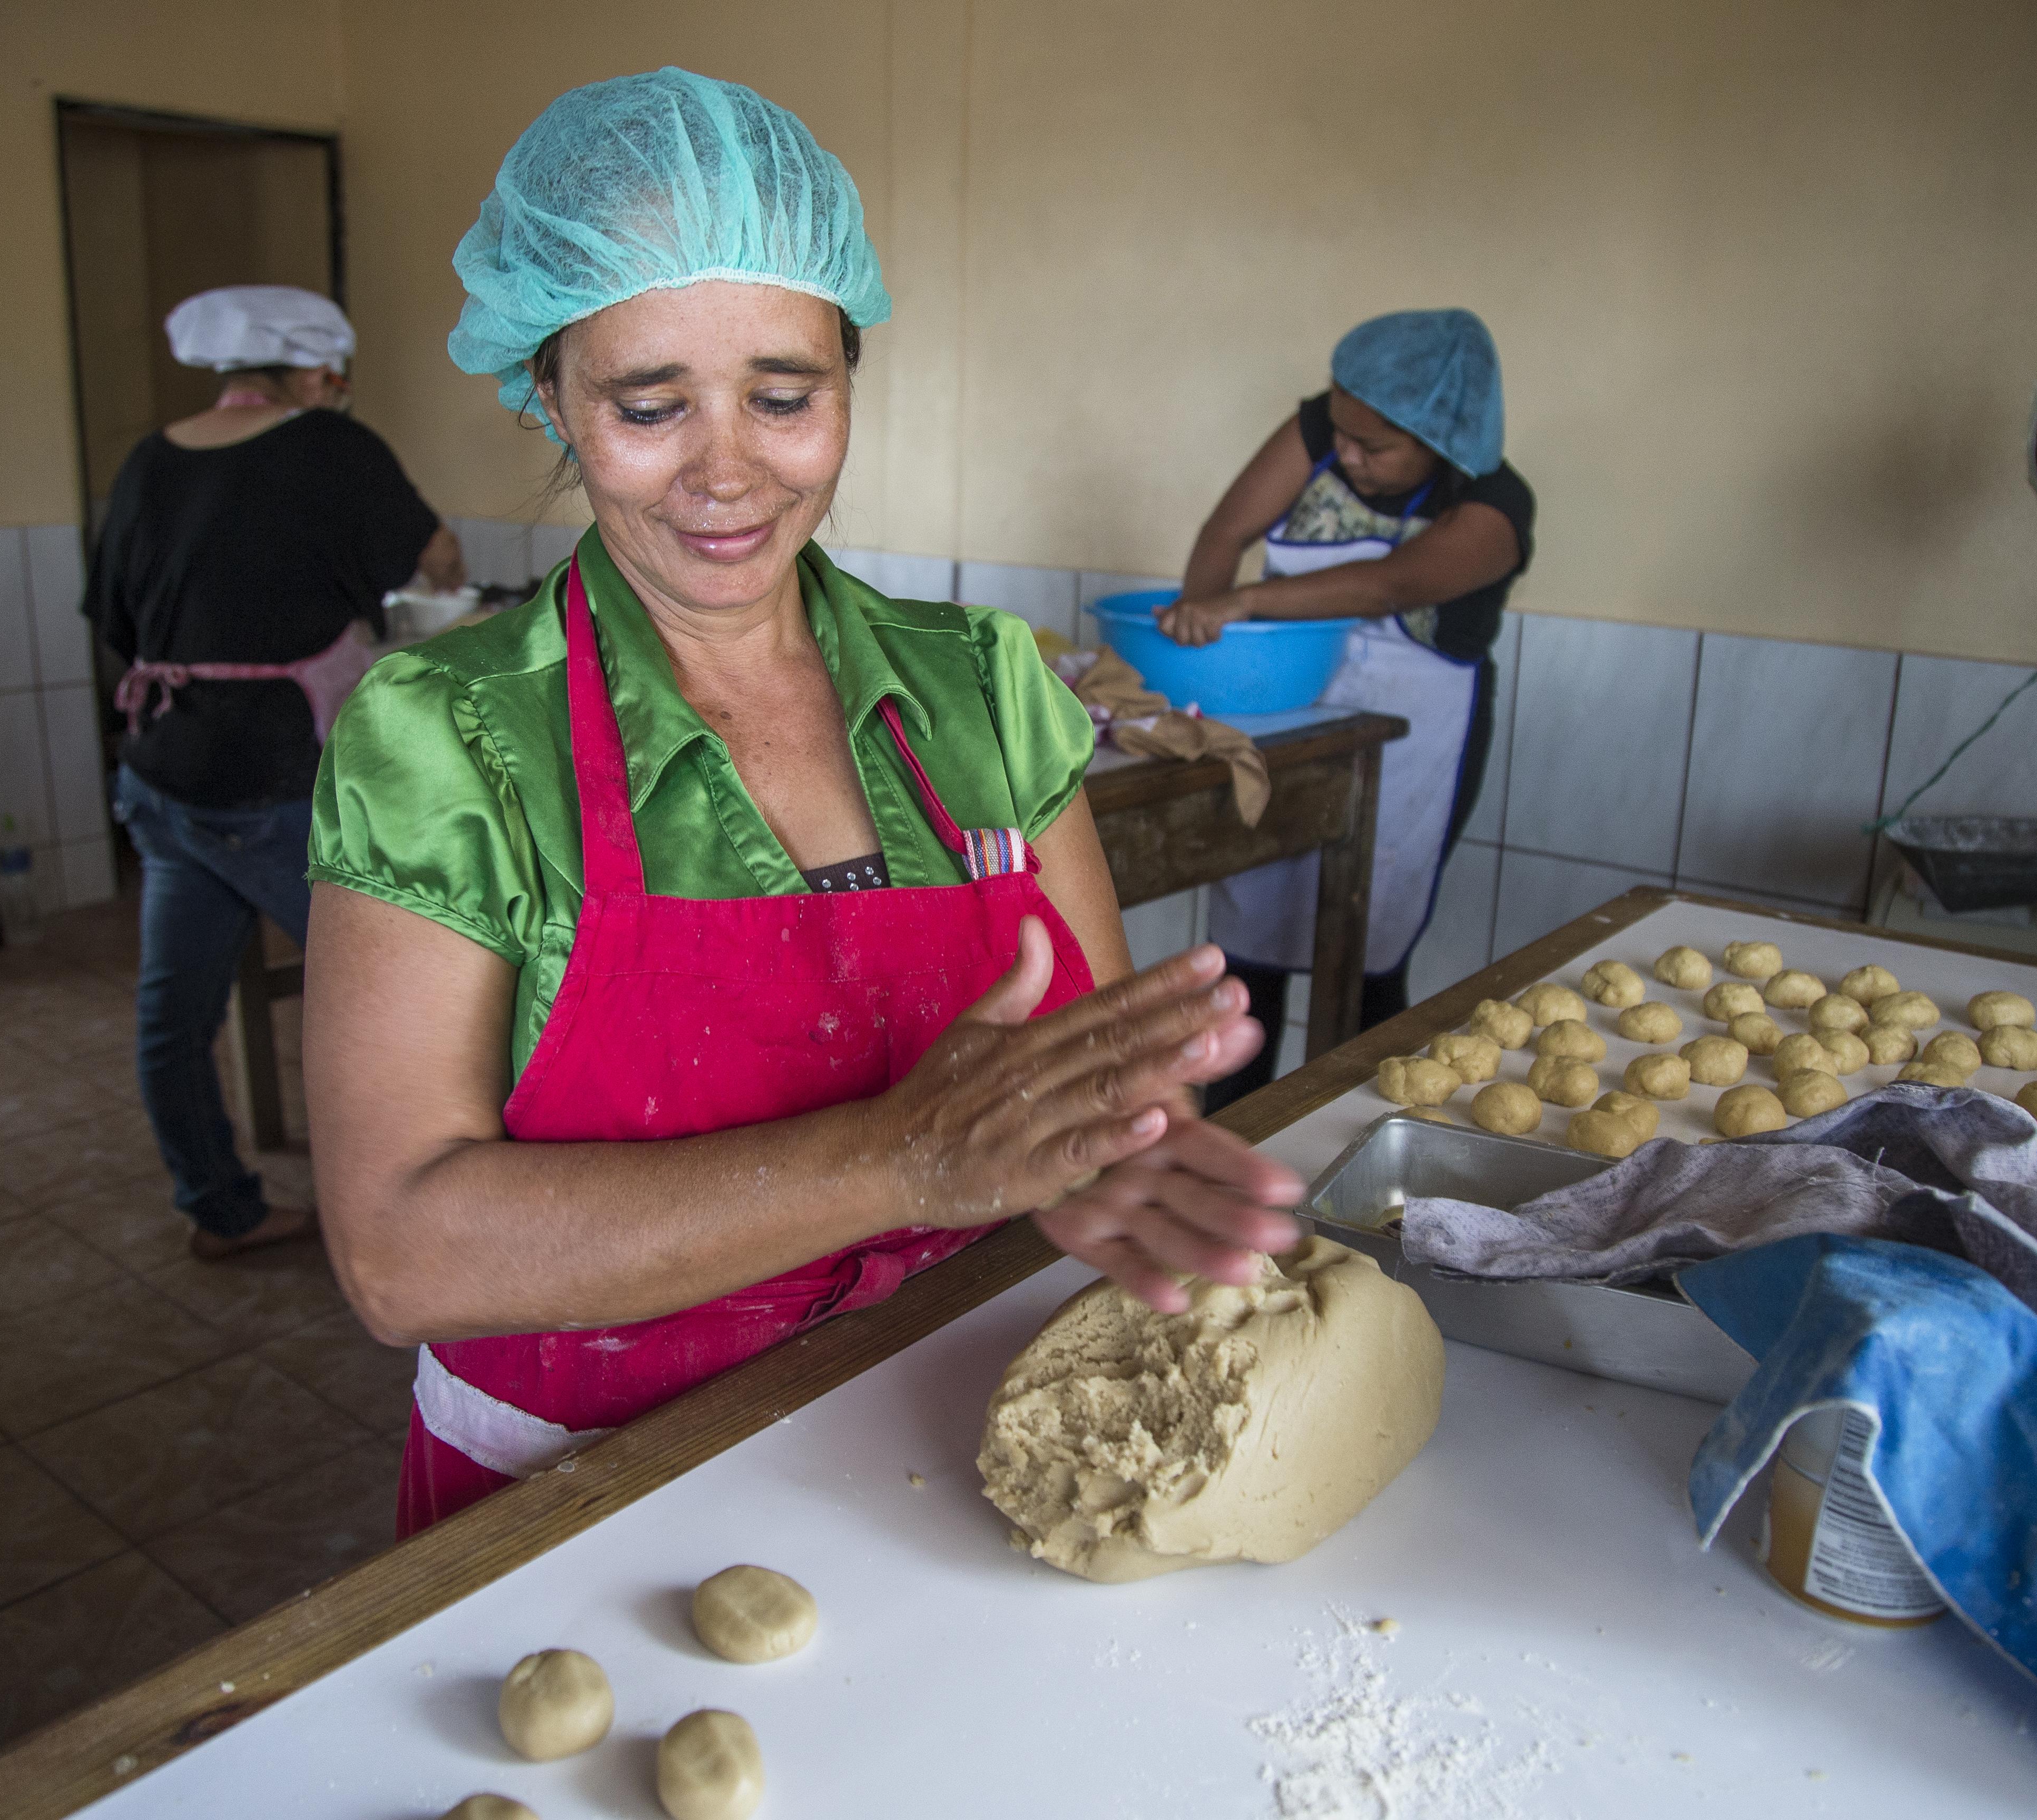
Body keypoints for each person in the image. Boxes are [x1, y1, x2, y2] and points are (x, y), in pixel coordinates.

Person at [300, 69, 1303, 1537]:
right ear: (550, 397)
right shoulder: (450, 738)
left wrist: (1110, 1157)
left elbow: (1088, 1085)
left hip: (953, 1452)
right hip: (570, 1507)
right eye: (649, 406)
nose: (728, 474)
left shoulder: (981, 688)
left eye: (786, 396)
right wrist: (903, 1160)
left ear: (848, 378)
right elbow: (399, 1252)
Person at [84, 284, 464, 1261]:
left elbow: (116, 623)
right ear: (316, 373)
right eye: (334, 379)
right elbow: (438, 563)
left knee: (175, 1013)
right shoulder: (330, 446)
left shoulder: (148, 460)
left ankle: (220, 1208)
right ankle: (423, 1220)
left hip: (162, 778)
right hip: (272, 780)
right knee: (397, 1002)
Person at [1164, 311, 1536, 1109]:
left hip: (1414, 739)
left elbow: (1392, 584)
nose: (1348, 456)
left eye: (1376, 447)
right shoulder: (1323, 428)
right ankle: (1232, 1141)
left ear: (1443, 440)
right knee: (1247, 950)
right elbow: (1226, 530)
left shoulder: (1497, 505)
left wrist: (1245, 602)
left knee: (1367, 948)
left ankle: (1351, 1145)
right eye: (1343, 434)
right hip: (1285, 711)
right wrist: (1204, 628)